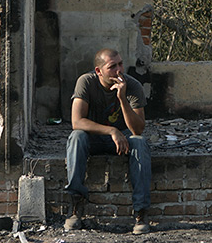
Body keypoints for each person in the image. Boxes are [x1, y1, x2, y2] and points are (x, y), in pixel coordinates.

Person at [64, 48, 152, 235]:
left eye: (120, 64)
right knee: (76, 137)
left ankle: (141, 212)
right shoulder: (86, 82)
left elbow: (138, 129)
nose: (119, 70)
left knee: (140, 142)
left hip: (122, 141)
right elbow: (76, 122)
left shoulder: (133, 85)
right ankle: (76, 206)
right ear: (99, 71)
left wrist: (122, 99)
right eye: (112, 66)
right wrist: (112, 130)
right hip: (96, 139)